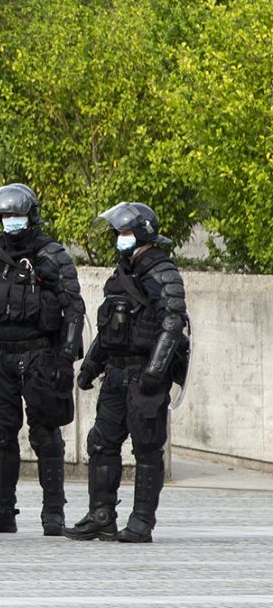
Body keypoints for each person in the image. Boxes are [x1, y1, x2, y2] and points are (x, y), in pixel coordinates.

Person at [70, 202, 189, 543]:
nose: (119, 238)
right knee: (101, 442)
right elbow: (109, 330)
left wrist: (155, 370)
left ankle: (141, 522)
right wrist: (90, 366)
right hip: (115, 374)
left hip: (144, 377)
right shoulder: (120, 274)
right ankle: (101, 515)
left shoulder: (162, 272)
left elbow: (172, 323)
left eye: (124, 232)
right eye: (117, 232)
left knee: (147, 449)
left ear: (141, 233)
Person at [0, 184, 85, 536]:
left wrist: (66, 359)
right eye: (6, 215)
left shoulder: (52, 255)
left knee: (46, 434)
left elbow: (74, 308)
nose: (11, 221)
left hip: (40, 354)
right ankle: (1, 511)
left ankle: (53, 512)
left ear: (31, 216)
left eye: (17, 215)